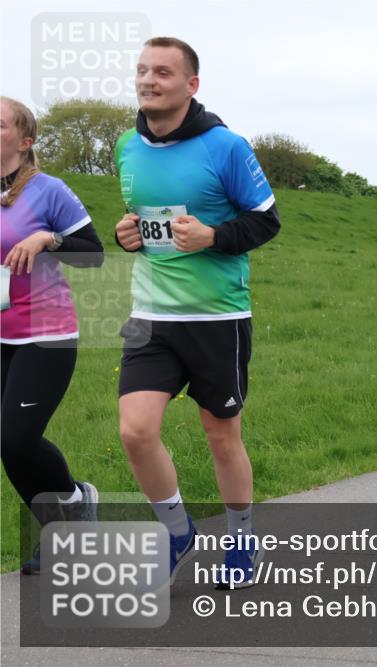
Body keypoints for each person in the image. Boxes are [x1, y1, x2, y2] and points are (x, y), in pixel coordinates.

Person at [113, 37, 280, 587]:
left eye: (162, 72)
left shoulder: (225, 147)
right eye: (142, 71)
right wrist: (129, 236)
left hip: (217, 318)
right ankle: (178, 531)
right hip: (151, 316)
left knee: (221, 435)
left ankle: (242, 539)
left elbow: (265, 220)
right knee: (136, 432)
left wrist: (212, 236)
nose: (148, 80)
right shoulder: (125, 149)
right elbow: (144, 222)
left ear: (192, 84)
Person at [0, 96, 104, 574]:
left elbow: (92, 253)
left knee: (17, 438)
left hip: (45, 333)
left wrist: (49, 239)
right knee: (6, 442)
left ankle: (76, 500)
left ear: (24, 141)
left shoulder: (48, 191)